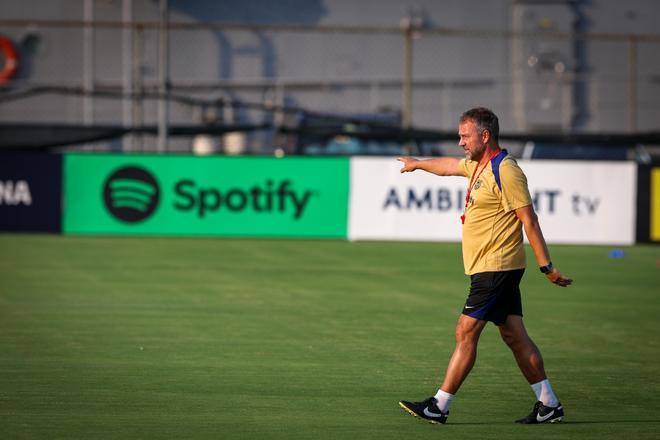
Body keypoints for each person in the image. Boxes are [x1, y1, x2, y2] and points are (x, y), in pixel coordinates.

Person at [397, 107, 572, 425]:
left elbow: (529, 220)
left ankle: (439, 405)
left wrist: (547, 267)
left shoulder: (506, 170)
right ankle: (549, 404)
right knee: (514, 335)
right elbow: (449, 166)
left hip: (497, 267)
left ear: (485, 135)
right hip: (488, 267)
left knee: (465, 331)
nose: (460, 142)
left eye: (465, 135)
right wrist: (418, 164)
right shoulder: (480, 166)